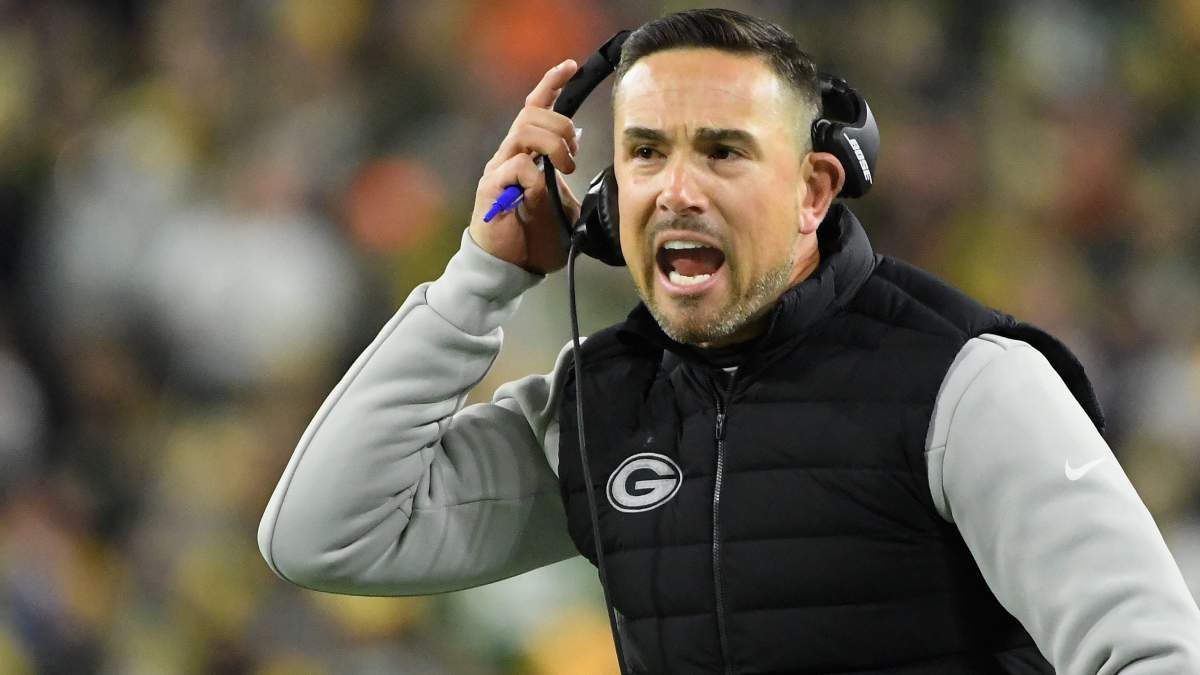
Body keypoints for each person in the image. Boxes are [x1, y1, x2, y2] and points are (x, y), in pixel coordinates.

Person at [258, 8, 1200, 674]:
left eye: (723, 151)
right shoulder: (599, 408)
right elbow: (324, 534)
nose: (676, 189)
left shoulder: (968, 386)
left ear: (814, 190)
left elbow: (1153, 653)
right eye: (645, 151)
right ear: (604, 200)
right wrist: (482, 275)